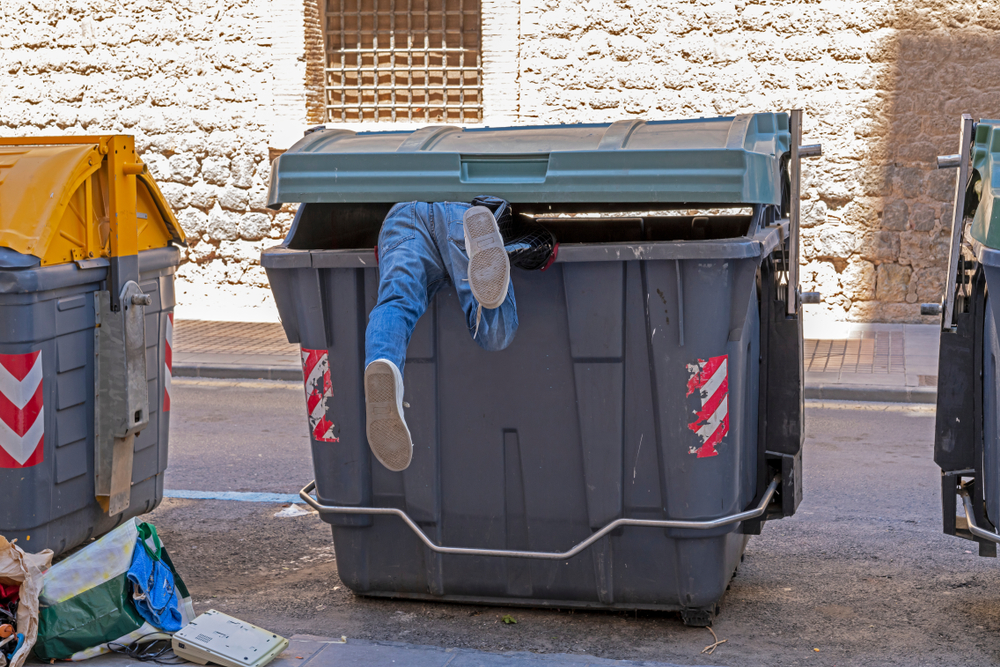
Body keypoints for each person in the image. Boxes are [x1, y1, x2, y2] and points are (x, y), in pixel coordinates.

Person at [363, 196, 557, 471]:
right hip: (461, 213)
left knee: (396, 302)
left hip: (403, 216)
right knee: (495, 334)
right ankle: (485, 250)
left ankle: (383, 362)